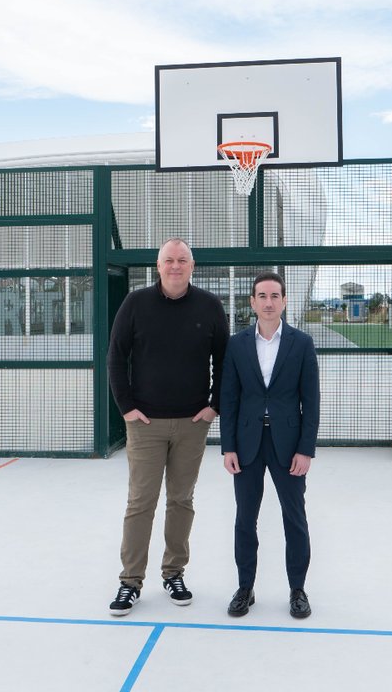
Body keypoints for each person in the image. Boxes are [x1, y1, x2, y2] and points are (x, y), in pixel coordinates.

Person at [106, 237, 229, 616]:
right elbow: (115, 356)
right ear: (158, 266)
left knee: (181, 501)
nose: (175, 266)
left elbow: (225, 362)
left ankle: (173, 572)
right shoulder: (135, 304)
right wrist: (127, 408)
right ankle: (130, 581)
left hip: (192, 424)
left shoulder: (209, 306)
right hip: (145, 425)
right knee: (140, 502)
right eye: (169, 260)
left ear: (192, 266)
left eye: (183, 260)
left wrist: (213, 407)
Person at [220, 271, 320, 619]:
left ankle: (297, 590)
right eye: (261, 296)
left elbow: (312, 401)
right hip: (247, 444)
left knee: (294, 519)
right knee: (245, 519)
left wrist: (306, 449)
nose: (268, 302)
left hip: (288, 445)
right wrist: (227, 447)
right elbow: (229, 398)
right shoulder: (236, 344)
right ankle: (245, 588)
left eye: (274, 296)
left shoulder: (301, 344)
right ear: (252, 302)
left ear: (284, 300)